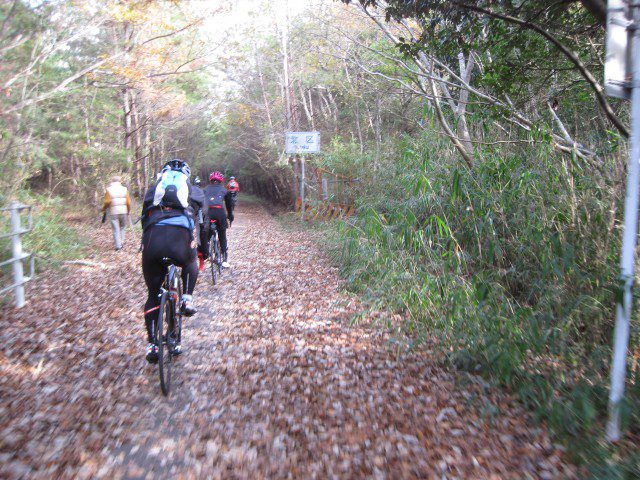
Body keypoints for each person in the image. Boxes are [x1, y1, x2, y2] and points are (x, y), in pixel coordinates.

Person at [140, 159, 205, 363]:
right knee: (189, 261)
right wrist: (200, 247)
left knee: (153, 294)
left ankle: (152, 344)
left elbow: (143, 219)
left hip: (153, 241)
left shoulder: (153, 190)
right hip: (180, 241)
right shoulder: (193, 190)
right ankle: (186, 298)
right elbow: (201, 219)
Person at [203, 171, 234, 268]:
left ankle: (205, 253)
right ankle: (224, 260)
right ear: (221, 180)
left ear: (211, 180)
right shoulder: (224, 190)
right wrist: (230, 216)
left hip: (207, 213)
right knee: (222, 236)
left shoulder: (205, 190)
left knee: (206, 235)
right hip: (219, 213)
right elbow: (229, 205)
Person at [102, 176, 131, 251]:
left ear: (112, 181)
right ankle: (121, 242)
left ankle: (118, 246)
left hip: (113, 212)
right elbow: (128, 202)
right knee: (122, 227)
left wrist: (104, 208)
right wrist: (128, 210)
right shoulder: (124, 189)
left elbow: (107, 201)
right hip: (123, 211)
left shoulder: (109, 189)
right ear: (119, 181)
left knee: (116, 229)